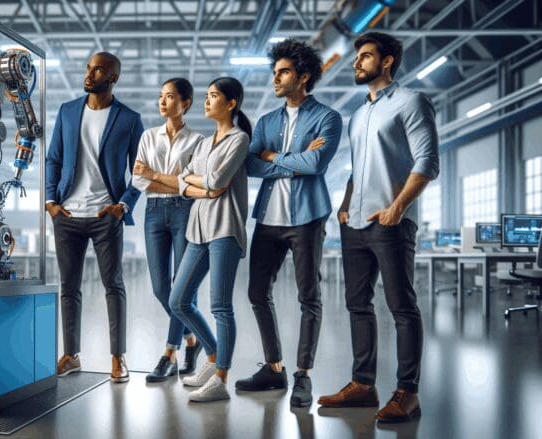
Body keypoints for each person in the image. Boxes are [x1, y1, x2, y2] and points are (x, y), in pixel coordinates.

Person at [317, 32, 439, 423]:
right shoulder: (359, 114)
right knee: (358, 304)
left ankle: (407, 392)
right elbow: (358, 169)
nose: (357, 62)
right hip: (354, 224)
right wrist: (344, 204)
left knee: (402, 306)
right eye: (358, 56)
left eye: (366, 56)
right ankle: (363, 384)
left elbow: (427, 162)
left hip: (391, 222)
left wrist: (397, 208)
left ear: (386, 62)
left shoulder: (411, 102)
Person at [236, 39, 342, 408]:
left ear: (304, 77)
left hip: (308, 219)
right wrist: (293, 158)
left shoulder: (328, 118)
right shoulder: (267, 120)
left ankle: (303, 375)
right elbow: (250, 166)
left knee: (308, 296)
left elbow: (316, 166)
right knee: (256, 292)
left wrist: (274, 157)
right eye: (275, 72)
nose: (275, 79)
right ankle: (274, 366)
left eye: (283, 72)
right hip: (268, 219)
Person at [46, 52, 144, 383]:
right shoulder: (68, 111)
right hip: (67, 214)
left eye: (98, 69)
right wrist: (50, 201)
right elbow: (53, 159)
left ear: (113, 77)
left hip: (106, 216)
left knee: (113, 286)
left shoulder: (129, 119)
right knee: (68, 288)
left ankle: (118, 358)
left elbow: (141, 173)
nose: (90, 73)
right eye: (89, 66)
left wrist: (123, 206)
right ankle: (71, 355)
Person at [167, 77, 250, 402]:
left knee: (220, 306)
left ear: (231, 104)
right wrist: (203, 186)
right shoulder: (203, 142)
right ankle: (213, 354)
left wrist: (197, 182)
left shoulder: (238, 139)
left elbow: (215, 179)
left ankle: (221, 379)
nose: (206, 101)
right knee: (178, 300)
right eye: (206, 95)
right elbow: (184, 179)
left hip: (225, 230)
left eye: (214, 96)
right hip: (198, 229)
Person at [131, 78, 205, 382]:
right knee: (162, 288)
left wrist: (155, 175)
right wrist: (171, 180)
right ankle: (193, 338)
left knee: (182, 287)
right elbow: (138, 179)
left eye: (170, 96)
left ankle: (169, 353)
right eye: (161, 96)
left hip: (184, 212)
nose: (163, 101)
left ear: (185, 103)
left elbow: (193, 182)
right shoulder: (149, 137)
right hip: (153, 213)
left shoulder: (198, 141)